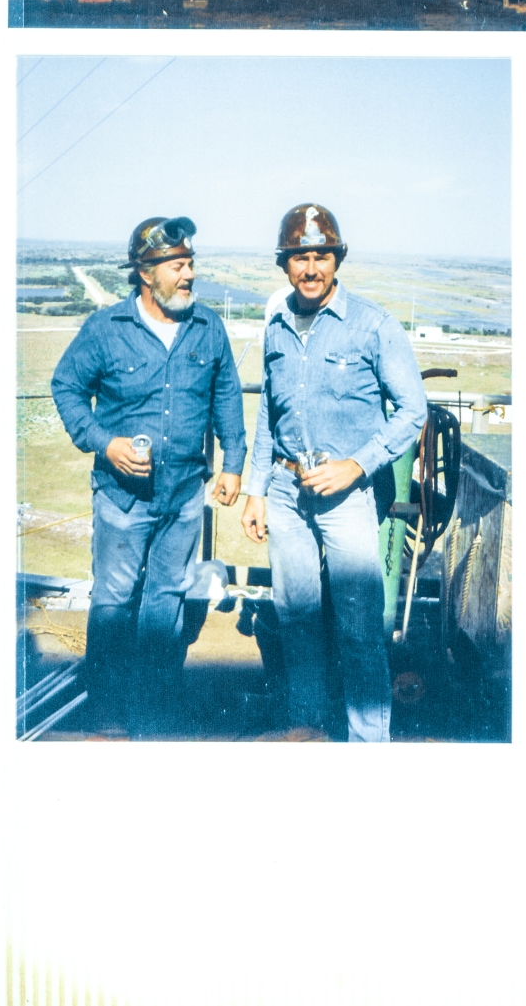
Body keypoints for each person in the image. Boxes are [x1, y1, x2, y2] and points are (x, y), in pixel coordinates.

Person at [51, 217, 246, 737]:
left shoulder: (208, 326)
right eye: (178, 266)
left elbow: (226, 393)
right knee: (114, 599)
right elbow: (66, 386)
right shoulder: (106, 329)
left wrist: (233, 463)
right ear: (146, 272)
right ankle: (108, 710)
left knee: (166, 598)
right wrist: (104, 442)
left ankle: (155, 705)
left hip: (184, 496)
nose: (189, 276)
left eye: (190, 265)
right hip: (122, 499)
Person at [241, 204, 426, 741]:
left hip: (346, 497)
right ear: (285, 265)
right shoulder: (276, 326)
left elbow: (412, 411)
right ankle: (307, 731)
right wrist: (256, 490)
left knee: (359, 627)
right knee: (296, 619)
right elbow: (268, 417)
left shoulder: (373, 325)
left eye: (322, 255)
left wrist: (356, 465)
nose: (312, 267)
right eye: (300, 257)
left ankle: (368, 744)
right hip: (284, 489)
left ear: (337, 259)